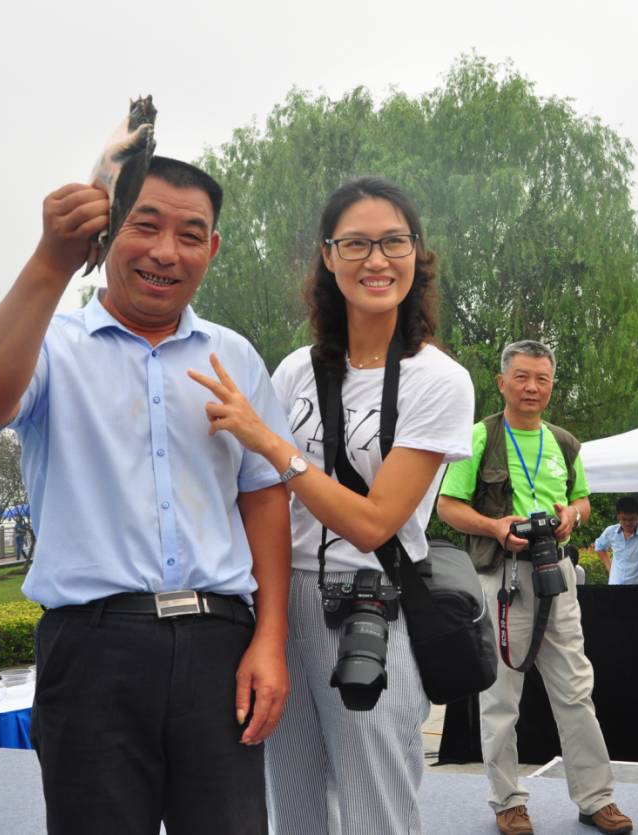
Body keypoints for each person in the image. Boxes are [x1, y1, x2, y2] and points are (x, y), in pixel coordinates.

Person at [0, 157, 292, 834]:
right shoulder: (53, 346)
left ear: (213, 247)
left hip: (218, 646)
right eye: (147, 225)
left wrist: (271, 639)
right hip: (94, 650)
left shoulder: (234, 356)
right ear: (107, 234)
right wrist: (52, 260)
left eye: (191, 233)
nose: (167, 252)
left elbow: (263, 498)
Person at [189, 176, 475, 834]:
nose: (376, 260)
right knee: (292, 808)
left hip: (372, 604)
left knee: (377, 810)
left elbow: (375, 521)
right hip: (282, 604)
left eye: (393, 242)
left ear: (417, 252)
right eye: (356, 243)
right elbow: (253, 496)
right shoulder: (294, 371)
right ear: (327, 255)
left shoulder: (440, 380)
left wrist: (269, 442)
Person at [437, 340, 633, 835]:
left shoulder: (564, 441)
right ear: (502, 382)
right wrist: (496, 526)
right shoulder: (479, 438)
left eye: (541, 379)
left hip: (558, 575)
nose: (532, 387)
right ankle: (508, 801)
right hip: (502, 577)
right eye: (522, 377)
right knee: (501, 697)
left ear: (551, 385)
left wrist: (572, 514)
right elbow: (447, 506)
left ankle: (596, 798)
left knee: (576, 691)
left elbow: (583, 499)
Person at [594, 496, 638, 585]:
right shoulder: (610, 532)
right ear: (618, 516)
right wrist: (610, 569)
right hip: (615, 587)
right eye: (624, 519)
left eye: (632, 519)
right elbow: (599, 547)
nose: (628, 523)